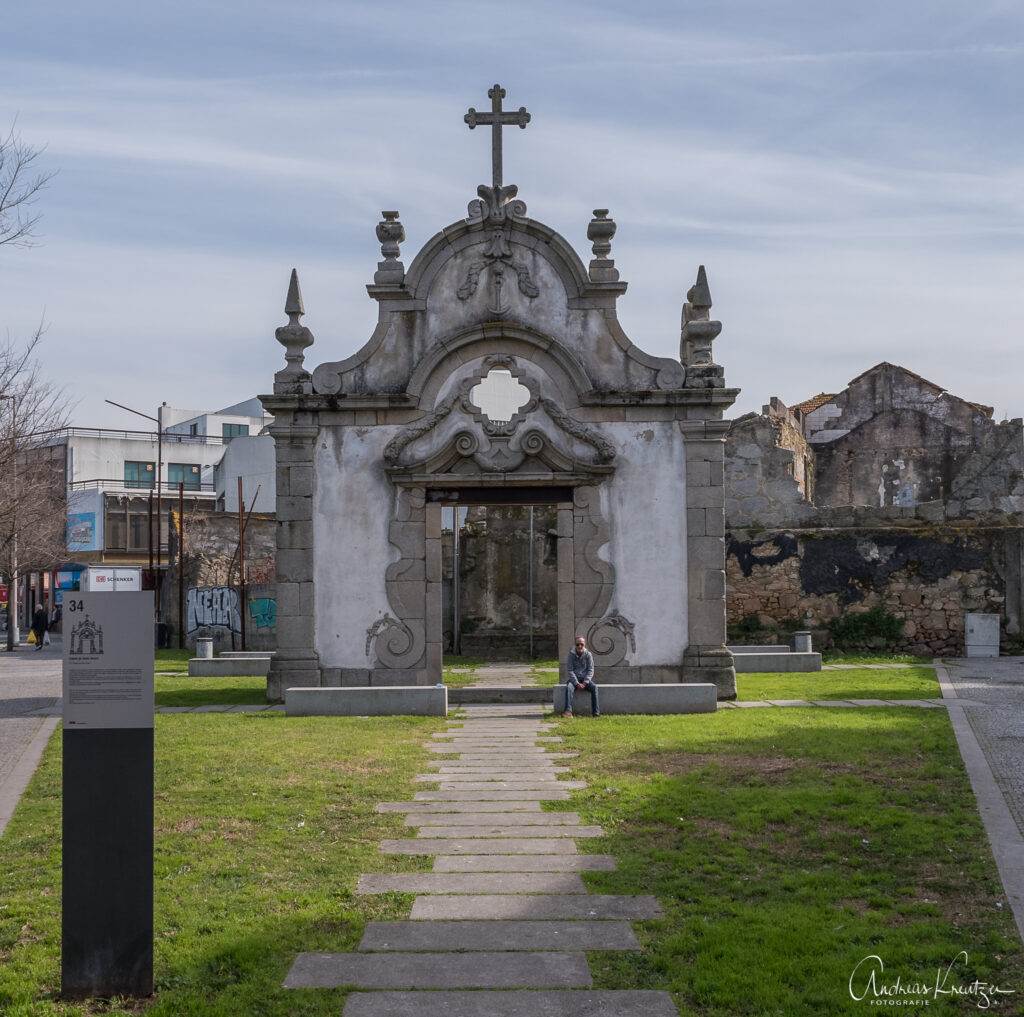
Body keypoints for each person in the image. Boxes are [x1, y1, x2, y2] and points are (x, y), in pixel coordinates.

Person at [563, 635, 599, 717]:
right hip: (574, 680)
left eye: (582, 644)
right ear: (575, 645)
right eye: (577, 644)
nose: (580, 646)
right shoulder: (571, 655)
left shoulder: (588, 655)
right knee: (568, 688)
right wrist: (576, 683)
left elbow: (591, 669)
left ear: (584, 644)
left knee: (594, 688)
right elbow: (570, 670)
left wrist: (585, 682)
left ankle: (596, 713)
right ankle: (568, 711)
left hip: (585, 680)